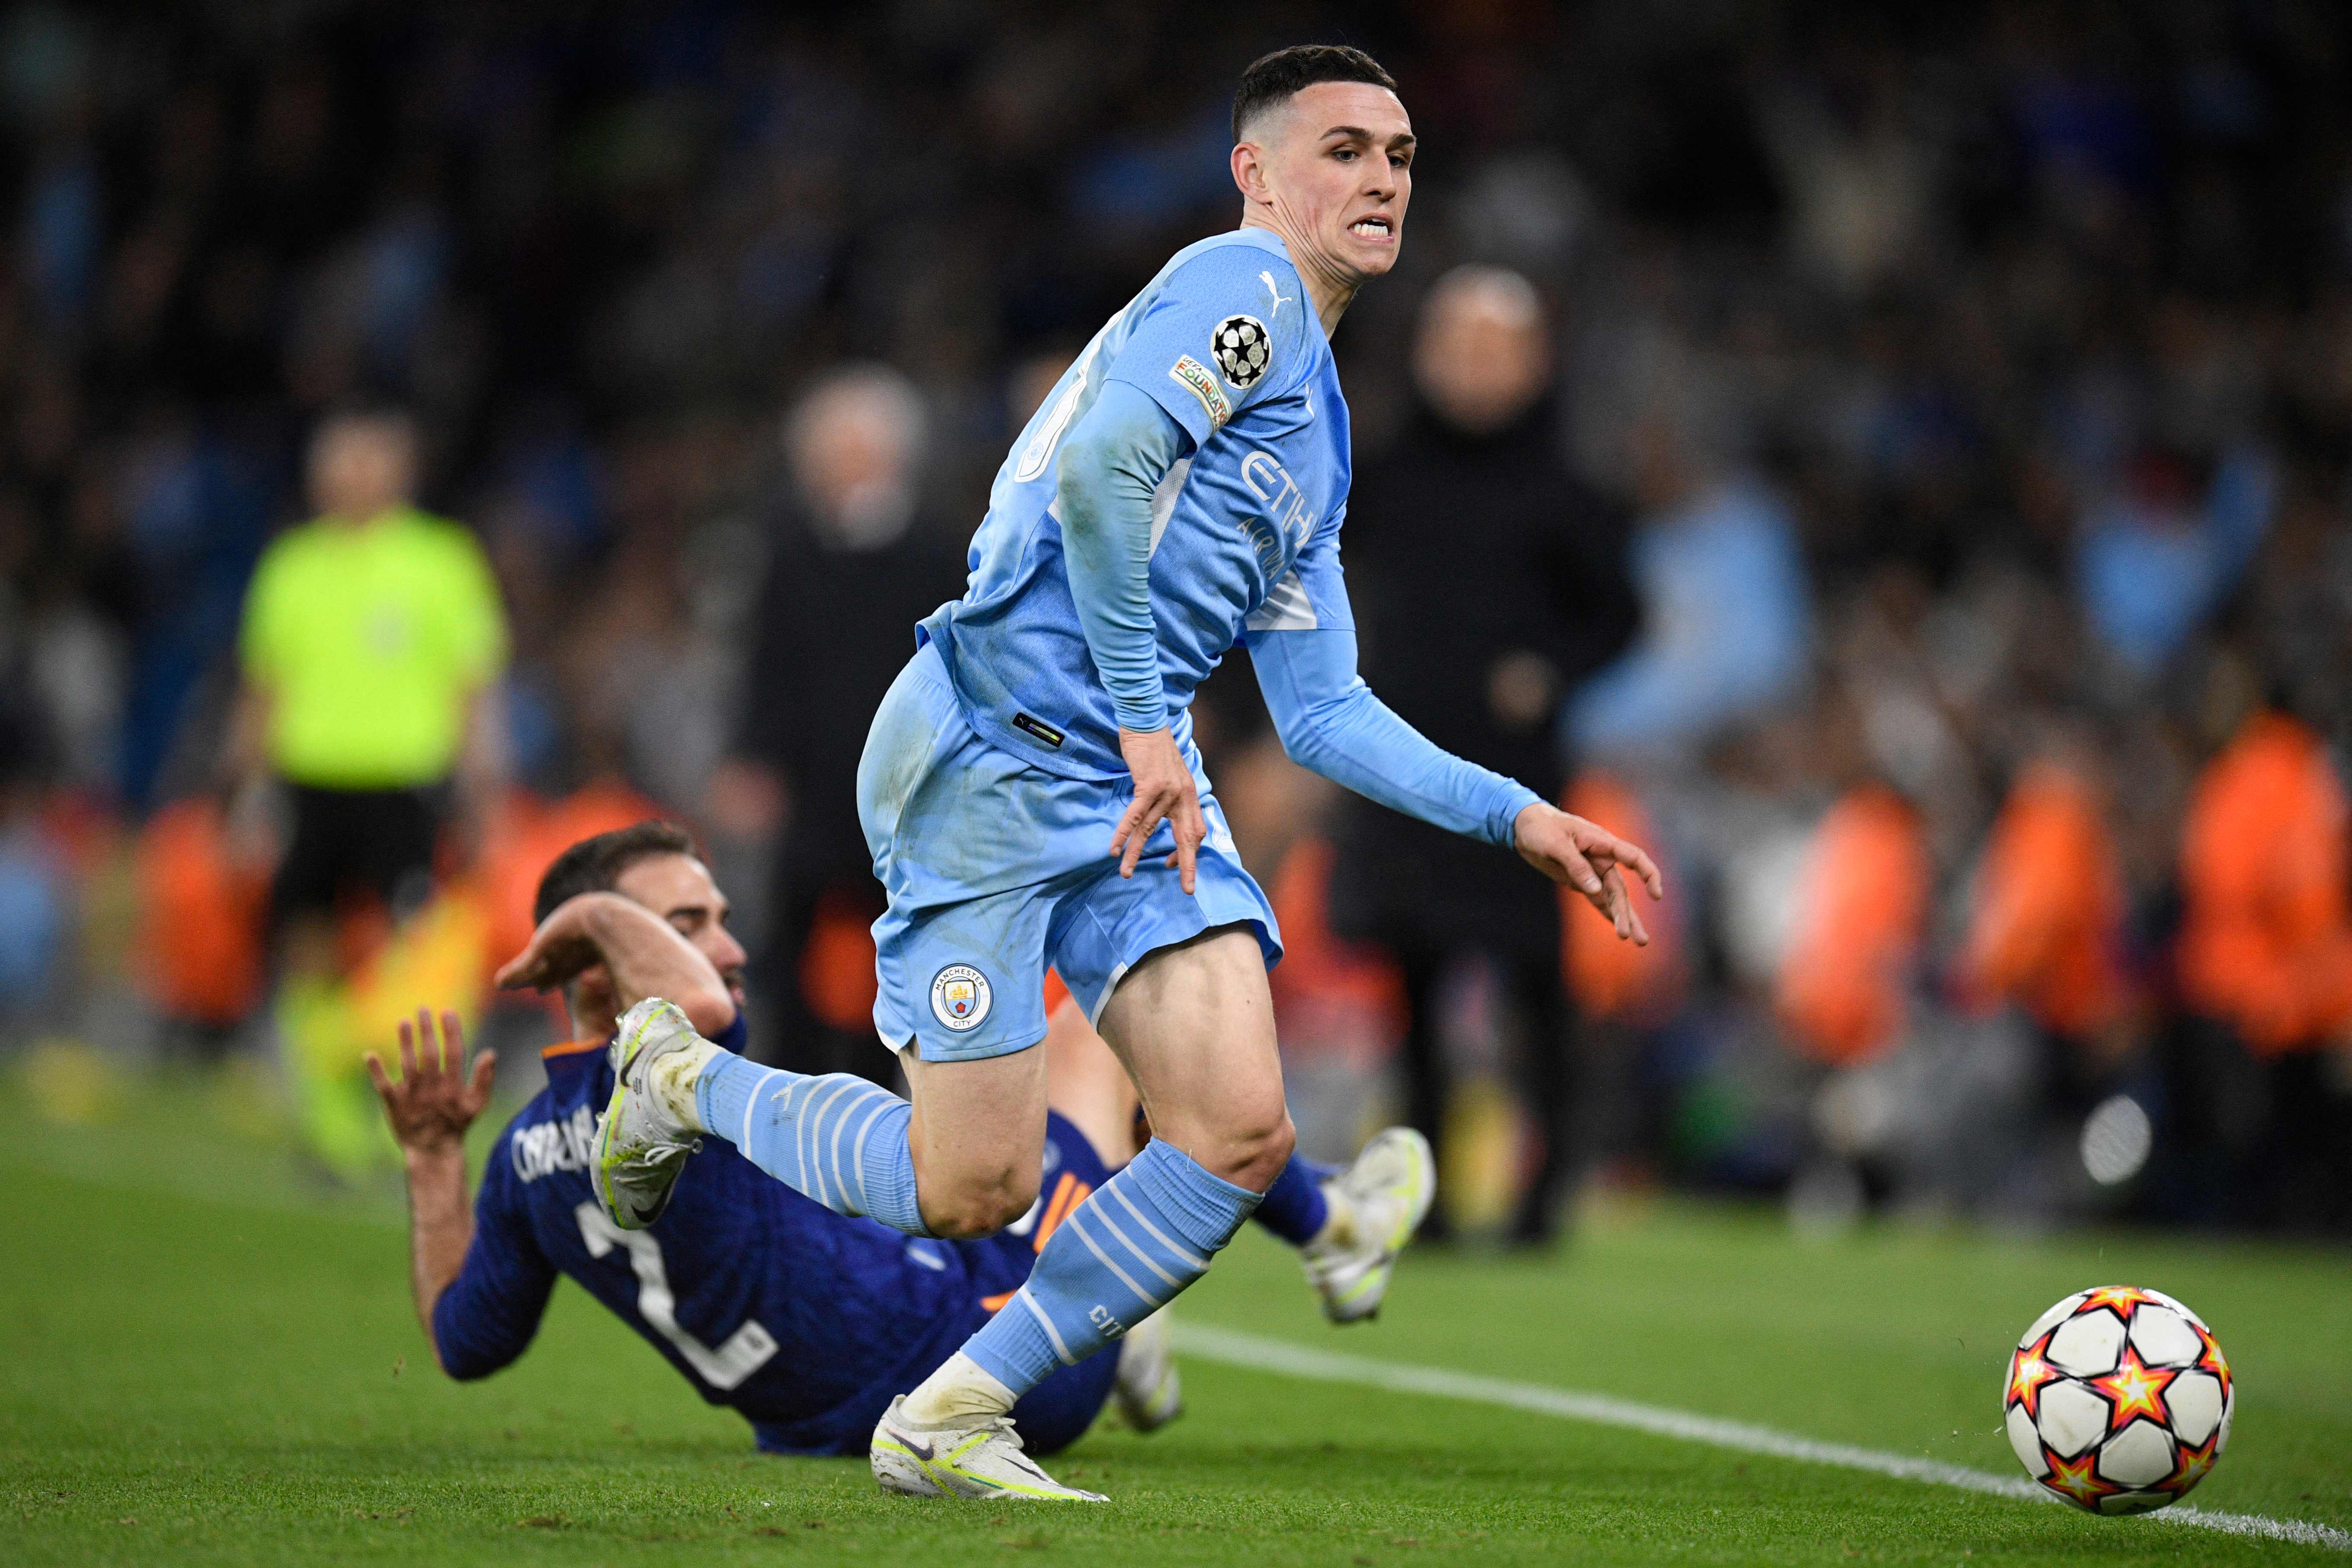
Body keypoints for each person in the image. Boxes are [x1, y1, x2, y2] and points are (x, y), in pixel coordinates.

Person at [585, 44, 1659, 1502]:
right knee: (974, 1183)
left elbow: (1327, 709)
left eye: (1401, 156)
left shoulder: (1322, 437)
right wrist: (1153, 719)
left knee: (1235, 1128)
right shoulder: (1244, 288)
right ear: (1257, 173)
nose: (1381, 179)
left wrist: (1520, 814)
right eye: (1343, 149)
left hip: (1129, 787)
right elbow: (1102, 474)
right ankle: (680, 1076)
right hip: (991, 749)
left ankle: (955, 1408)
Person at [378, 821, 1432, 1467]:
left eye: (717, 914)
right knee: (1111, 1032)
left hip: (810, 1419)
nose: (730, 947)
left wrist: (433, 1166)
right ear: (598, 965)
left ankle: (1147, 1294)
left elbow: (464, 1344)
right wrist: (605, 912)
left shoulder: (522, 1154)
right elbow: (692, 1003)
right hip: (973, 1362)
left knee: (982, 1114)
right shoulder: (664, 1071)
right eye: (686, 921)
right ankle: (1329, 1226)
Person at [1327, 264, 1637, 1245]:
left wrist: (1548, 667)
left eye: (1492, 351)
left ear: (1533, 364)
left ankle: (1543, 1194)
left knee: (1531, 984)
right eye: (1453, 346)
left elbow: (1620, 616)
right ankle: (1428, 1198)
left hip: (1516, 775)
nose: (1470, 369)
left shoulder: (1566, 492)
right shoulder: (1377, 471)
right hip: (1403, 760)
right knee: (1409, 981)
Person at [235, 409, 509, 1178]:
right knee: (307, 943)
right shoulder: (293, 564)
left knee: (410, 954)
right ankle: (325, 1114)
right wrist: (248, 789)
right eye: (341, 462)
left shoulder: (442, 561)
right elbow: (262, 685)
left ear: (401, 471)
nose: (353, 476)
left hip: (405, 782)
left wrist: (485, 790)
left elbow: (474, 687)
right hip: (310, 777)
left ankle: (399, 1110)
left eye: (369, 461)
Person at [708, 366, 970, 1082]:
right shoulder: (790, 557)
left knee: (904, 967)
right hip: (815, 801)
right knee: (796, 972)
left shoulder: (942, 557)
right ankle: (796, 1114)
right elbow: (766, 671)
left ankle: (894, 1115)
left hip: (916, 801)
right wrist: (751, 759)